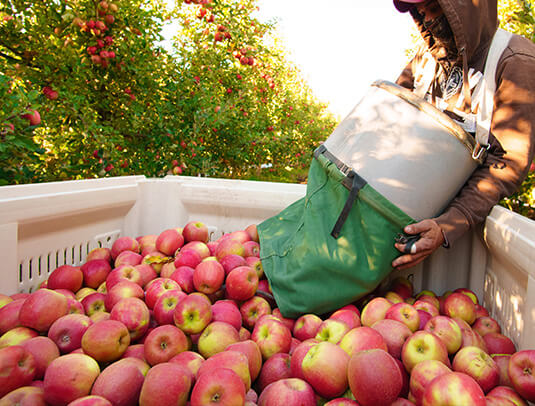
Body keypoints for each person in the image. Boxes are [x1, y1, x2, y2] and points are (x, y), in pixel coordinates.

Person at [390, 0, 535, 270]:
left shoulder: (514, 60)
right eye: (422, 14)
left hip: (459, 242)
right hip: (405, 220)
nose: (429, 21)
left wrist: (450, 224)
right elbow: (391, 119)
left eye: (434, 9)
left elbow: (509, 162)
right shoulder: (426, 58)